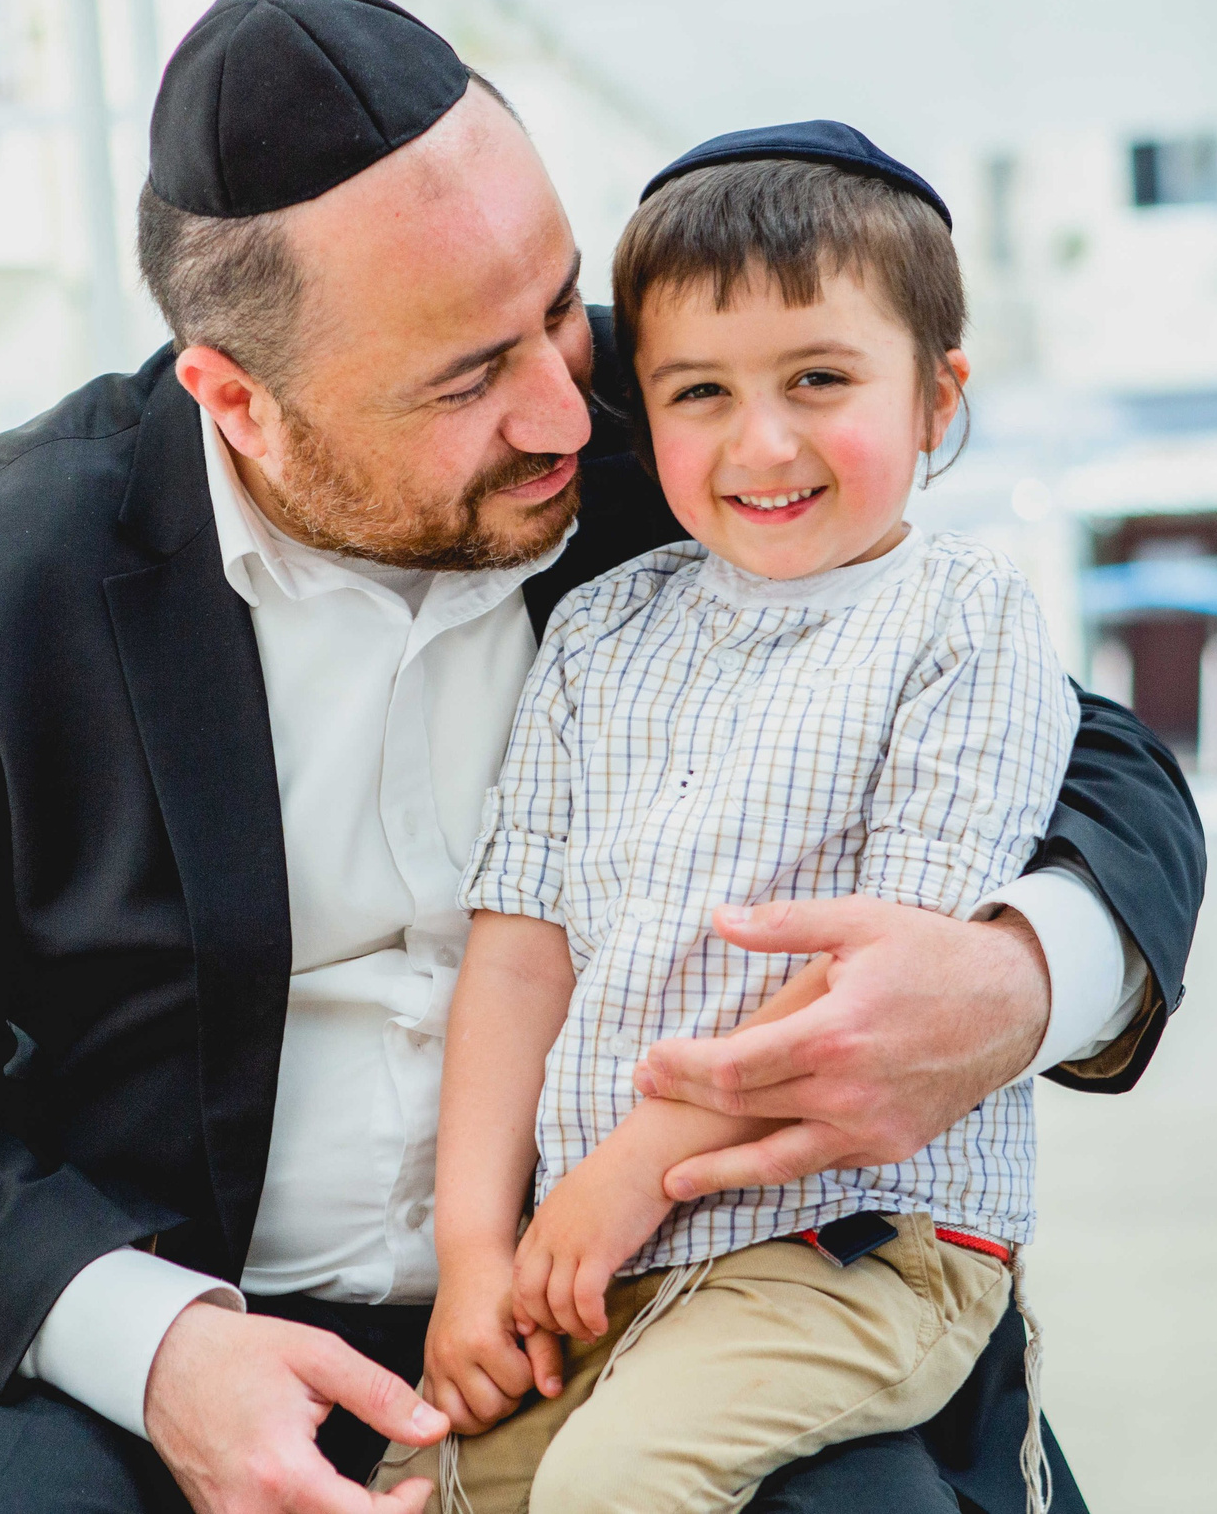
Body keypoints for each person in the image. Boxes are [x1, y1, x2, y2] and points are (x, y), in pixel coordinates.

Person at [0, 0, 1205, 1514]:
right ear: (236, 397)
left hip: (671, 1290)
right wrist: (157, 1349)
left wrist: (1024, 974)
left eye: (558, 305)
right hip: (167, 1332)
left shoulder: (698, 421)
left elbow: (1097, 762)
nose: (567, 411)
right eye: (464, 377)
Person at [376, 124, 1076, 1514]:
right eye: (700, 391)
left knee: (616, 1492)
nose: (764, 440)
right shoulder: (597, 632)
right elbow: (520, 954)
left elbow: (877, 983)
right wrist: (473, 1255)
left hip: (850, 1246)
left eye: (821, 378)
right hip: (596, 1257)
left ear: (938, 398)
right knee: (411, 1492)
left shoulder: (962, 617)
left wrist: (639, 1167)